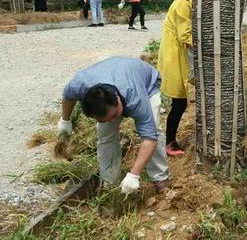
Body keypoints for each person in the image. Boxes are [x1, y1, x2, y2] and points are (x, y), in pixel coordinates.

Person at [57, 57, 170, 194]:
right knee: (105, 136)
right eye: (102, 120)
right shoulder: (79, 85)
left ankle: (160, 178)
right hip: (112, 74)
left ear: (117, 100)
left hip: (146, 85)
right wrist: (65, 121)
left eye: (113, 116)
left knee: (154, 130)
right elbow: (67, 96)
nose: (110, 121)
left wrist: (134, 175)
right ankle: (109, 183)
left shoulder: (136, 98)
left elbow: (150, 138)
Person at [157, 0, 194, 157]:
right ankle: (169, 143)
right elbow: (185, 35)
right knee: (179, 103)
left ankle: (169, 141)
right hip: (174, 58)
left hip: (176, 55)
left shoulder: (187, 1)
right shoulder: (184, 3)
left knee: (180, 102)